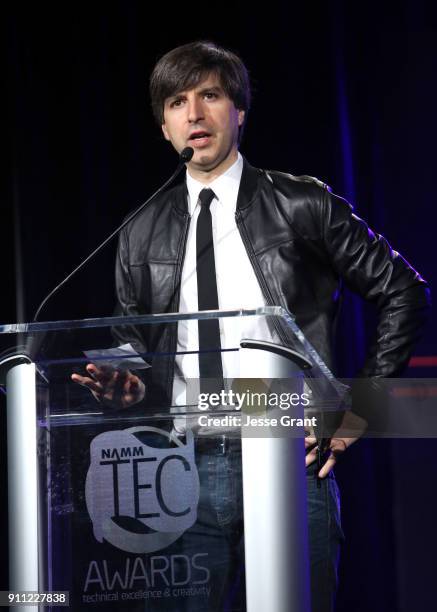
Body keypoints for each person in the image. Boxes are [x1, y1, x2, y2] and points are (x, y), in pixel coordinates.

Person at [72, 41, 430, 611]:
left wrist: (362, 408)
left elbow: (404, 292)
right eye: (176, 103)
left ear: (238, 110)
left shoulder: (302, 203)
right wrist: (127, 386)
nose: (194, 114)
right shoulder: (139, 231)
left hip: (288, 457)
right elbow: (136, 346)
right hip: (178, 470)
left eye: (210, 96)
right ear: (164, 127)